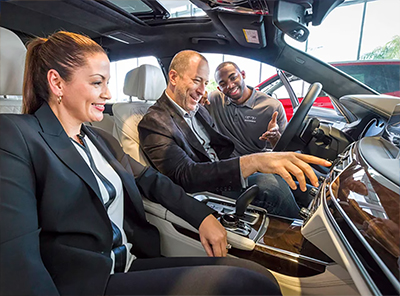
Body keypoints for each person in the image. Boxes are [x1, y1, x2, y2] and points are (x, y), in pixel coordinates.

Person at [0, 31, 283, 296]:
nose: (108, 94)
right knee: (247, 286)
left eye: (107, 83)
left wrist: (202, 216)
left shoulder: (99, 138)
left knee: (257, 275)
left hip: (129, 261)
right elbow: (16, 256)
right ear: (57, 82)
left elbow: (151, 180)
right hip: (88, 283)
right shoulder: (16, 135)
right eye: (97, 82)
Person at [138, 50, 331, 220]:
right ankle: (301, 232)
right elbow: (184, 175)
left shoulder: (200, 108)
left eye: (205, 83)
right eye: (197, 81)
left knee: (292, 170)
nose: (202, 90)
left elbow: (217, 145)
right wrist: (251, 163)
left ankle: (327, 205)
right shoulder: (154, 122)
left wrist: (261, 158)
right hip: (208, 187)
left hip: (224, 168)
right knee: (271, 186)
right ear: (173, 77)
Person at [206, 61, 287, 156]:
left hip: (256, 165)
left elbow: (283, 151)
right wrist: (200, 94)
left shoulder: (272, 107)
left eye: (233, 78)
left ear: (243, 74)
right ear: (219, 88)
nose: (230, 86)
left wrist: (275, 137)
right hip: (224, 164)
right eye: (223, 84)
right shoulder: (214, 99)